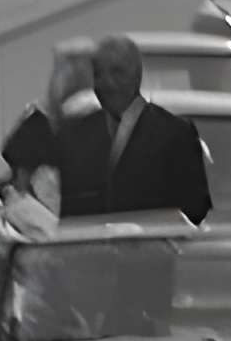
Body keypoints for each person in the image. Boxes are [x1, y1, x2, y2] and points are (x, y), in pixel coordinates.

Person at [45, 35, 211, 222]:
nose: (108, 83)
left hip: (152, 249)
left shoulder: (176, 133)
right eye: (99, 74)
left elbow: (195, 209)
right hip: (87, 249)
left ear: (137, 76)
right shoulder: (72, 135)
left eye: (118, 73)